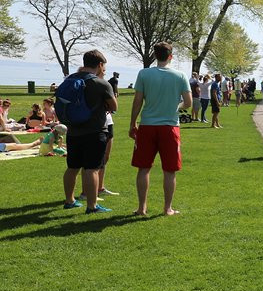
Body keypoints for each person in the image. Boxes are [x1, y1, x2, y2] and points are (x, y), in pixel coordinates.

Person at [129, 42, 192, 216]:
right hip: (170, 127)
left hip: (147, 125)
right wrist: (175, 107)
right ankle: (167, 208)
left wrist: (132, 123)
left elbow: (137, 102)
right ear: (171, 56)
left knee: (143, 168)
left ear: (156, 56)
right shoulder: (180, 76)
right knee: (169, 170)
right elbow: (188, 103)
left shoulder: (144, 73)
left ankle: (142, 208)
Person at [61, 49, 117, 214]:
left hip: (73, 130)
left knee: (72, 167)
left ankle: (69, 200)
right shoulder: (101, 83)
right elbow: (114, 107)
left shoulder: (69, 79)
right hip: (94, 131)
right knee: (92, 169)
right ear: (100, 65)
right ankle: (92, 206)